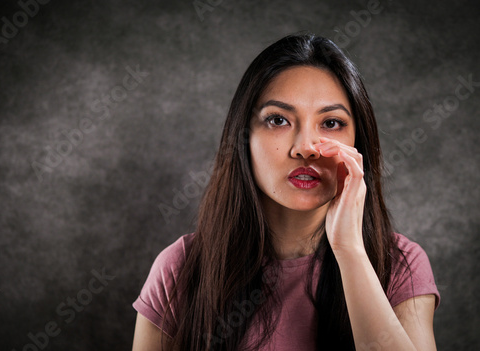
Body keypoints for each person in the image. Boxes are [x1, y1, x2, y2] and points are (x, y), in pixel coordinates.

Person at [131, 33, 440, 351]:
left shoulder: (400, 265)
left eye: (331, 123)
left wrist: (349, 250)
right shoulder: (180, 268)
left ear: (357, 143)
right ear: (244, 138)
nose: (306, 148)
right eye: (278, 120)